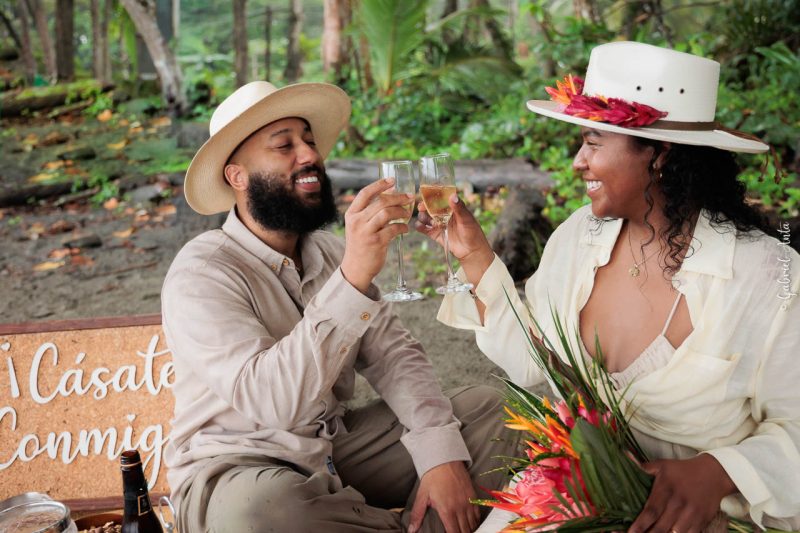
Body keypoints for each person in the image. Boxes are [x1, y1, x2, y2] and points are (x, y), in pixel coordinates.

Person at [418, 41, 800, 532]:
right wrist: (474, 255)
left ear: (659, 154)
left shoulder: (765, 274)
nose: (578, 162)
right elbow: (532, 361)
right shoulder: (581, 237)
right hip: (575, 497)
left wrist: (719, 472)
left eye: (594, 143)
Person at [161, 81, 515, 533]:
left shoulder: (328, 252)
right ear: (237, 176)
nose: (309, 155)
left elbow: (395, 357)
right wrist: (351, 278)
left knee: (492, 411)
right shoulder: (201, 273)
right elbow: (274, 403)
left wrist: (439, 456)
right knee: (265, 514)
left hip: (331, 448)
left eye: (308, 141)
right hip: (238, 468)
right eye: (284, 145)